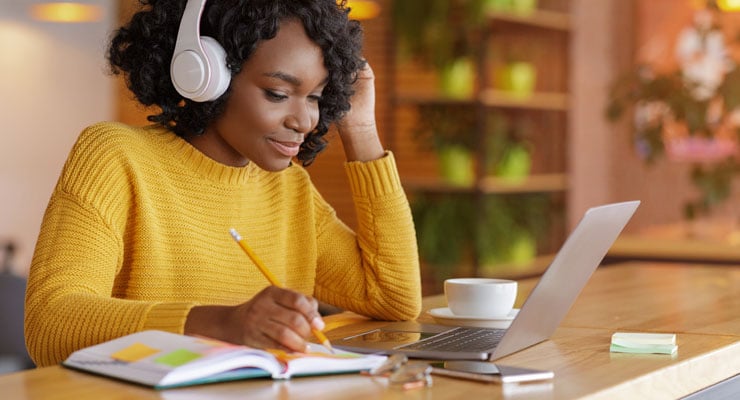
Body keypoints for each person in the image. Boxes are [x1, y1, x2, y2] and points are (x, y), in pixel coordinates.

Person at [25, 0, 422, 368]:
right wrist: (220, 324)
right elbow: (50, 323)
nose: (305, 121)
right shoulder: (115, 157)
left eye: (317, 97)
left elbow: (394, 297)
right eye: (278, 93)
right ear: (205, 73)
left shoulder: (289, 188)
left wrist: (361, 128)